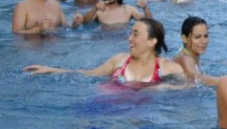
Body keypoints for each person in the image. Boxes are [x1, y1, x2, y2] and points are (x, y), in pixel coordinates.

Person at [24, 18, 186, 88]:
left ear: (152, 41)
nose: (129, 38)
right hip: (103, 109)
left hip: (137, 118)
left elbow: (190, 88)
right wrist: (50, 70)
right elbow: (87, 74)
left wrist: (163, 89)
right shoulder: (120, 61)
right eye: (130, 33)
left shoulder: (168, 68)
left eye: (135, 34)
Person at [172, 16, 219, 86]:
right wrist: (224, 81)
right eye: (197, 37)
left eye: (206, 36)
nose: (203, 41)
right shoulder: (185, 58)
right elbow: (196, 78)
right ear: (184, 38)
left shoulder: (188, 54)